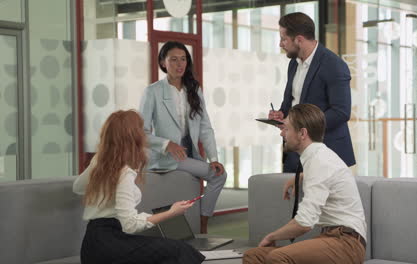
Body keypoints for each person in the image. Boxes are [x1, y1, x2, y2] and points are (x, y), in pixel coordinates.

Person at [73, 110, 205, 264]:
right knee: (179, 250)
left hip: (92, 244)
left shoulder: (99, 161)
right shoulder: (124, 172)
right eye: (141, 131)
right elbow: (130, 225)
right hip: (110, 245)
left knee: (170, 249)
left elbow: (78, 187)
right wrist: (171, 212)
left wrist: (105, 186)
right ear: (133, 137)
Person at [244, 104, 366, 264]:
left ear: (302, 133)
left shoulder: (320, 161)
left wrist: (271, 236)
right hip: (330, 237)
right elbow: (325, 176)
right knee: (254, 256)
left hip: (346, 243)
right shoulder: (316, 160)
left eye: (286, 128)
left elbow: (304, 223)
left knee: (277, 257)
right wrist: (301, 177)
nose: (282, 133)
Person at [139, 41, 227, 234]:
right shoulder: (152, 91)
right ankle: (203, 224)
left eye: (183, 59)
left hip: (189, 155)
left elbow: (205, 126)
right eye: (173, 60)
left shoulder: (194, 90)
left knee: (218, 172)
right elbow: (140, 133)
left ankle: (201, 218)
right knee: (219, 177)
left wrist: (214, 159)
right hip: (165, 157)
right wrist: (165, 144)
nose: (179, 64)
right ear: (163, 63)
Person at [269, 12, 355, 172]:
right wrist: (282, 114)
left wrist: (299, 125)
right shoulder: (293, 64)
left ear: (299, 40)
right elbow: (293, 103)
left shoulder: (334, 65)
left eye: (283, 39)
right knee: (294, 196)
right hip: (296, 151)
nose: (281, 44)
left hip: (328, 151)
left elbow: (341, 112)